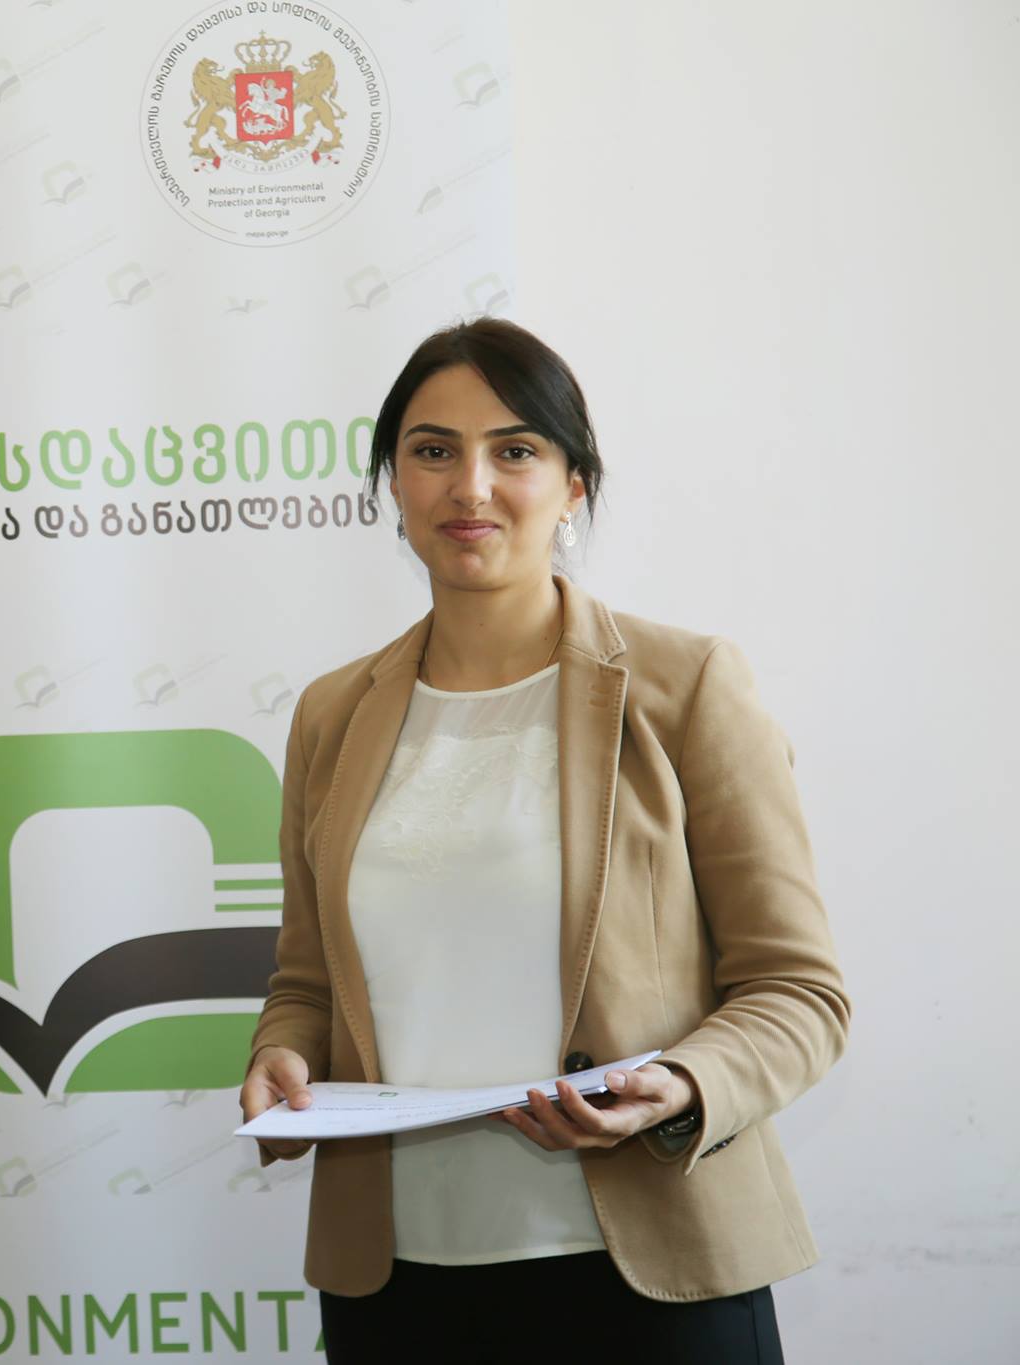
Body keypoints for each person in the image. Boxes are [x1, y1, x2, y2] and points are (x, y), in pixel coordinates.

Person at [240, 319, 848, 1363]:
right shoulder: (330, 714)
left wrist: (683, 1085)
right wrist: (280, 1055)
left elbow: (797, 991)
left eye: (514, 450)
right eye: (433, 450)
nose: (469, 486)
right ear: (393, 481)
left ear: (573, 486)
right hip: (398, 1288)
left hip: (649, 1279)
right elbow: (306, 980)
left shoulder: (686, 686)